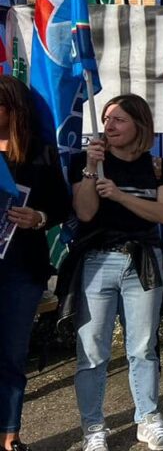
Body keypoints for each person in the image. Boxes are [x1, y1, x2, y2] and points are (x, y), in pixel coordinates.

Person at [68, 95, 163, 451]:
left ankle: (147, 418)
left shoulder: (159, 167)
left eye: (118, 120)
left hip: (143, 262)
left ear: (139, 125)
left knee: (144, 347)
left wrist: (118, 195)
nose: (109, 126)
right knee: (92, 351)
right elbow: (84, 214)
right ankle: (94, 428)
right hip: (97, 263)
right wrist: (90, 169)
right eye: (106, 119)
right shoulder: (86, 164)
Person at [0, 77, 70, 451]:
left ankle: (10, 434)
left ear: (12, 110)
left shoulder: (40, 152)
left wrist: (39, 217)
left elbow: (62, 204)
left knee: (12, 354)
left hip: (21, 270)